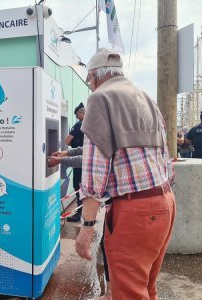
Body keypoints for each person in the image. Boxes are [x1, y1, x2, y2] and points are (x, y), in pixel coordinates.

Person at [75, 48, 176, 300]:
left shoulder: (100, 98)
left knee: (128, 294)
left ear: (94, 77)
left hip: (135, 211)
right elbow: (163, 154)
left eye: (89, 81)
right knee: (147, 287)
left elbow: (95, 172)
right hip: (165, 202)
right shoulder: (144, 97)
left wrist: (86, 227)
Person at [48, 148, 112, 300]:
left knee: (112, 249)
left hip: (127, 206)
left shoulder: (100, 125)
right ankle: (111, 293)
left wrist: (87, 227)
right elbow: (90, 149)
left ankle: (111, 294)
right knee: (108, 246)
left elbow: (90, 158)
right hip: (153, 200)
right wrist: (66, 154)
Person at [64, 102, 85, 222]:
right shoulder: (92, 124)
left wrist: (72, 143)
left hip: (79, 159)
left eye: (77, 114)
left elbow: (67, 141)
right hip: (89, 160)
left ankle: (80, 213)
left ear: (82, 113)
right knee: (85, 186)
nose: (77, 117)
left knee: (77, 185)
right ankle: (85, 212)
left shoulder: (78, 125)